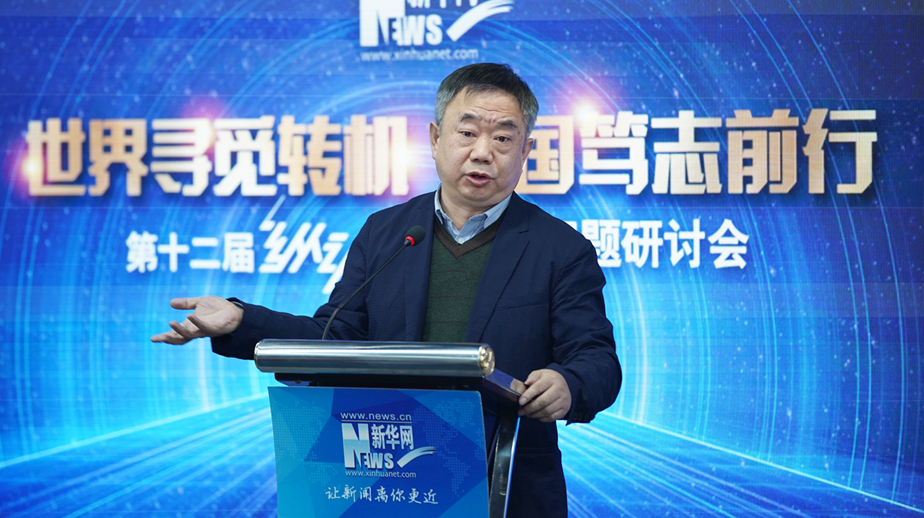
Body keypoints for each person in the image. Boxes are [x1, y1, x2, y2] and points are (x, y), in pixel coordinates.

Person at [152, 63, 622, 517]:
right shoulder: (386, 234)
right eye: (467, 132)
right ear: (435, 138)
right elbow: (335, 338)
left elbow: (597, 358)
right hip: (388, 479)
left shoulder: (561, 249)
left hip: (502, 482)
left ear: (526, 151)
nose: (483, 152)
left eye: (503, 138)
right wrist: (240, 320)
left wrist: (569, 383)